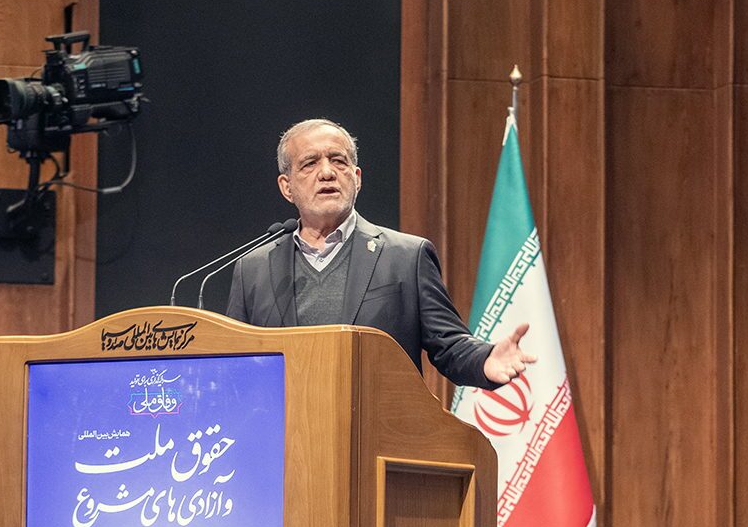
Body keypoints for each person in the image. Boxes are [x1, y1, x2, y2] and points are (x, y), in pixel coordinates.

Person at [225, 118, 534, 389]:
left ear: (357, 178)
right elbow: (232, 364)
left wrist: (485, 359)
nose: (327, 172)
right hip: (284, 433)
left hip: (376, 430)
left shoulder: (406, 258)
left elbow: (449, 345)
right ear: (287, 186)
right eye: (310, 164)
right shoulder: (253, 269)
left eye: (338, 161)